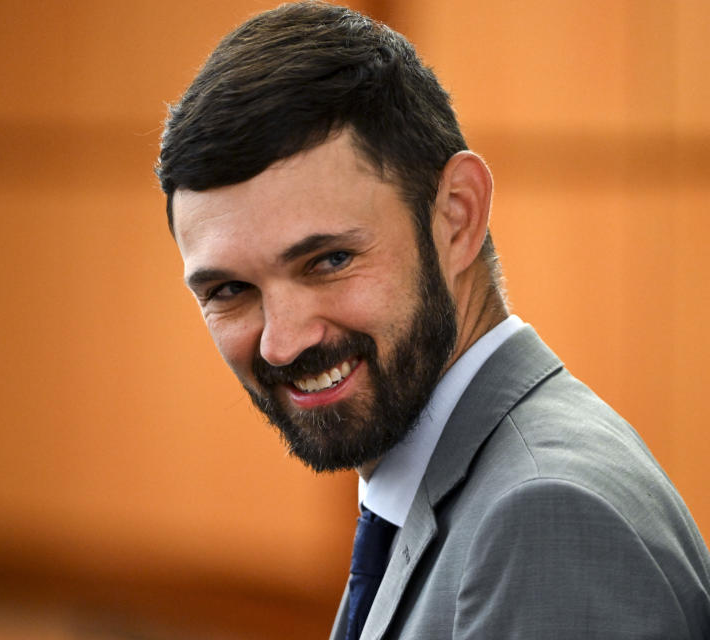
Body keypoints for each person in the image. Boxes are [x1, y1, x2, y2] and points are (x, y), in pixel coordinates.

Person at [156, 2, 710, 638]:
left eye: (329, 260)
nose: (283, 343)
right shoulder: (460, 493)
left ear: (457, 215)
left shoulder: (543, 515)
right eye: (230, 290)